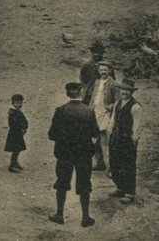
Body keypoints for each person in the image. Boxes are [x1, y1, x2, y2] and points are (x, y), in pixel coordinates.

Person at [47, 82, 100, 227]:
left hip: (65, 154)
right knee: (84, 184)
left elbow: (51, 135)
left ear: (67, 94)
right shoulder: (89, 111)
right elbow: (95, 133)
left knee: (62, 183)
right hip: (83, 154)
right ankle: (85, 218)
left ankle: (59, 215)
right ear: (81, 93)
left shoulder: (60, 111)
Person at [108, 78, 143, 205]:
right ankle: (120, 187)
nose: (125, 92)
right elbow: (112, 119)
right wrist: (109, 131)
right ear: (120, 90)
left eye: (128, 90)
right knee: (115, 163)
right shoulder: (117, 103)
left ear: (131, 92)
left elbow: (137, 125)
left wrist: (134, 139)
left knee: (128, 165)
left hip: (127, 140)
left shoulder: (135, 106)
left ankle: (129, 192)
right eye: (123, 90)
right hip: (116, 138)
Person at [85, 61, 117, 171]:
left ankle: (110, 168)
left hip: (105, 115)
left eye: (105, 70)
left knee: (105, 142)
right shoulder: (97, 82)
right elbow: (93, 98)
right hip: (95, 114)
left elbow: (117, 101)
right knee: (93, 139)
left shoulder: (113, 84)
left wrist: (109, 108)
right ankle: (95, 163)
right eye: (101, 70)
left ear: (110, 71)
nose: (103, 72)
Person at [5, 94, 28, 173]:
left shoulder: (17, 111)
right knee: (16, 149)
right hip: (15, 134)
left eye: (20, 103)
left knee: (18, 149)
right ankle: (12, 165)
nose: (19, 104)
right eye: (17, 103)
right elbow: (14, 124)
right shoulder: (13, 113)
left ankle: (15, 162)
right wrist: (21, 128)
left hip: (18, 133)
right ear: (13, 103)